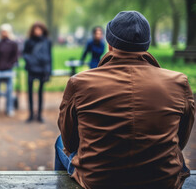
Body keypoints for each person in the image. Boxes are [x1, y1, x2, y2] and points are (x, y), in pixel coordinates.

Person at [56, 11, 195, 188]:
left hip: (99, 181)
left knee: (60, 142)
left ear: (109, 44)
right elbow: (180, 139)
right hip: (162, 180)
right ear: (146, 45)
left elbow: (70, 142)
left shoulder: (79, 83)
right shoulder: (178, 83)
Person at [22, 22, 52, 123]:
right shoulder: (29, 42)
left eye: (39, 29)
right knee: (30, 92)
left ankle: (39, 115)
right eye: (35, 29)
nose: (37, 31)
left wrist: (49, 71)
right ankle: (30, 114)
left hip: (42, 69)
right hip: (31, 69)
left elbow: (49, 57)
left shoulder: (47, 42)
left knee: (40, 93)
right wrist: (30, 60)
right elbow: (24, 53)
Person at [0, 24, 18, 117]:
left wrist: (9, 65)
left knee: (9, 91)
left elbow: (15, 56)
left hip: (8, 69)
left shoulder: (13, 43)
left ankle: (9, 108)